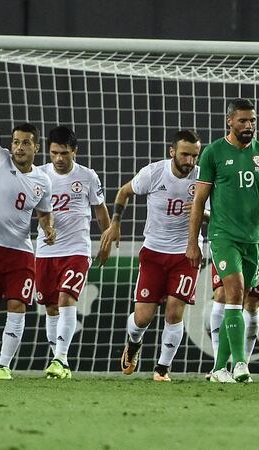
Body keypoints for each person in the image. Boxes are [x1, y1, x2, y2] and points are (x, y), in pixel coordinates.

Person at [187, 98, 259, 384]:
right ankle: (241, 364)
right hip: (223, 236)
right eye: (243, 120)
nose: (249, 126)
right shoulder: (213, 152)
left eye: (252, 120)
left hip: (254, 238)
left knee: (243, 299)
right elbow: (198, 202)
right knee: (233, 291)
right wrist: (193, 241)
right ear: (229, 121)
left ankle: (220, 369)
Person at [0, 67, 55, 380]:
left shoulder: (43, 181)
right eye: (16, 142)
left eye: (26, 143)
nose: (19, 147)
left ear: (35, 147)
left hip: (20, 252)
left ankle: (3, 366)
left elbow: (44, 212)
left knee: (18, 305)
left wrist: (48, 226)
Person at [98, 130, 202, 381]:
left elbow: (215, 212)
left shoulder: (203, 178)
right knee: (143, 318)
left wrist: (202, 213)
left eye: (195, 156)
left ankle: (162, 369)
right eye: (185, 154)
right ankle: (133, 344)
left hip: (186, 252)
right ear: (172, 152)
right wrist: (115, 223)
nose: (190, 161)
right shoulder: (154, 173)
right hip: (154, 251)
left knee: (175, 311)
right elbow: (124, 192)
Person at [36, 126, 110, 379]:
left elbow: (100, 211)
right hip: (45, 251)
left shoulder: (88, 177)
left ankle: (61, 359)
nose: (58, 158)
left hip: (77, 249)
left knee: (66, 299)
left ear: (74, 152)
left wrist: (107, 241)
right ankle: (58, 361)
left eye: (64, 153)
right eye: (54, 153)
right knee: (50, 307)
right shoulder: (39, 174)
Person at [207, 168, 259, 380]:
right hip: (225, 236)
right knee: (224, 295)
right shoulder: (218, 158)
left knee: (250, 302)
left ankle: (242, 365)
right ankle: (219, 366)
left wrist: (245, 206)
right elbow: (207, 202)